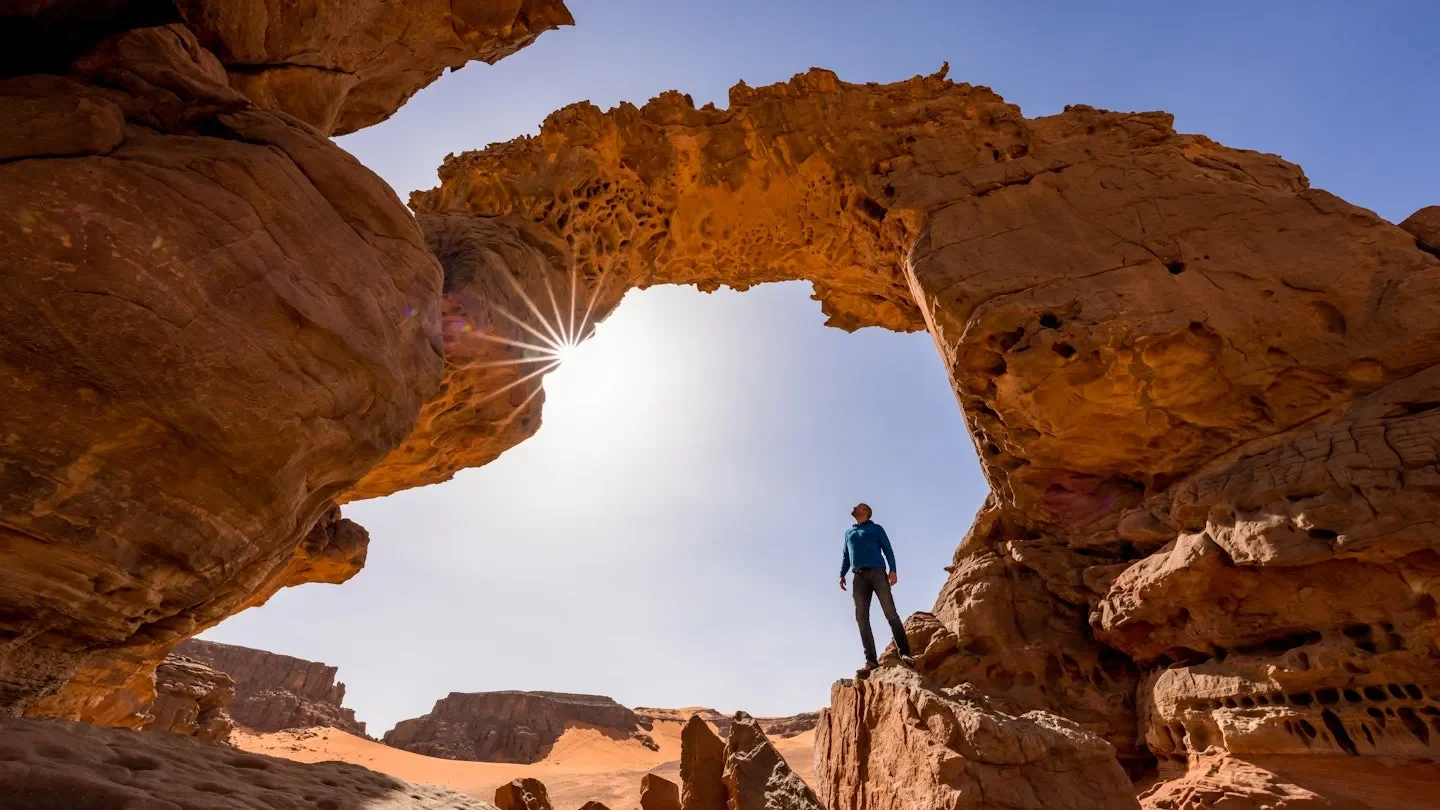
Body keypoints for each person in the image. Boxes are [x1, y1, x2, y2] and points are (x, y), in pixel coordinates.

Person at [839, 502, 914, 677]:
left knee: (890, 613)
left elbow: (887, 549)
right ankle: (871, 661)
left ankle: (905, 653)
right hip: (858, 577)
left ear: (866, 512)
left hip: (877, 573)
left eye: (858, 507)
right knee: (861, 618)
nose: (854, 507)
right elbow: (846, 555)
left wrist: (893, 570)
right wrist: (842, 574)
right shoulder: (848, 532)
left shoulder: (876, 529)